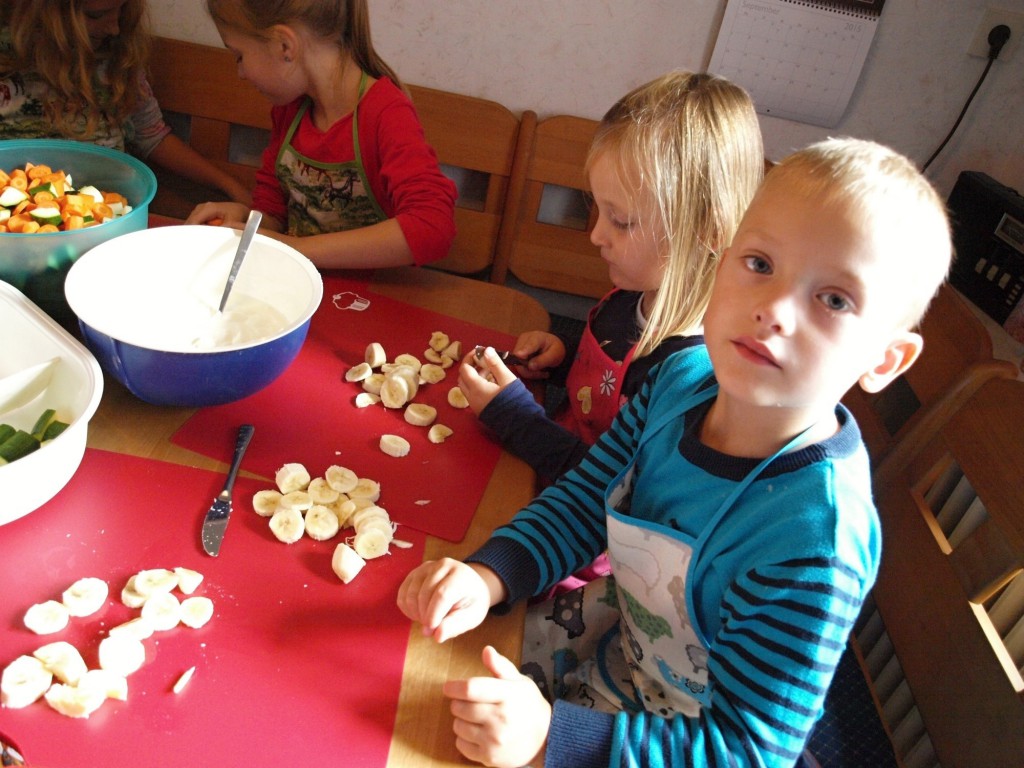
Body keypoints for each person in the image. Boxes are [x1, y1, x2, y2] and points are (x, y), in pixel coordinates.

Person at [397, 137, 953, 768]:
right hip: (618, 640)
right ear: (720, 264)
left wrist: (552, 740)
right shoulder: (680, 379)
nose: (772, 309)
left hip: (687, 740)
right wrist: (490, 574)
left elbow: (747, 751)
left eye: (833, 299)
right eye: (760, 263)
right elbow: (584, 503)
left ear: (886, 359)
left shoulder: (814, 545)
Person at [461, 71, 763, 486]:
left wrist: (514, 416)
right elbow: (604, 375)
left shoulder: (689, 379)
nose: (596, 235)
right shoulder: (634, 293)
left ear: (706, 233)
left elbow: (612, 491)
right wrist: (562, 356)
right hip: (542, 457)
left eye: (620, 221)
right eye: (597, 210)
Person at [184, 0, 457, 271]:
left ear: (284, 46)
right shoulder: (290, 110)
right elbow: (275, 214)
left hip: (371, 297)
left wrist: (296, 249)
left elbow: (433, 226)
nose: (240, 73)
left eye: (239, 56)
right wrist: (243, 218)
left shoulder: (385, 113)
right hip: (299, 286)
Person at [0, 0, 251, 206]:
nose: (115, 29)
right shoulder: (9, 58)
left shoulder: (116, 57)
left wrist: (229, 185)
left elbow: (151, 135)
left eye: (121, 10)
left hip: (106, 214)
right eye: (97, 15)